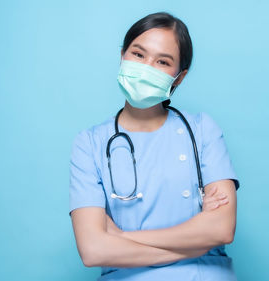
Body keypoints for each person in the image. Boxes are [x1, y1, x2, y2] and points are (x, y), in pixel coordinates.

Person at [68, 11, 240, 281]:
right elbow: (93, 250)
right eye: (138, 54)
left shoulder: (202, 130)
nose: (147, 67)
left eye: (162, 61)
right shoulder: (90, 143)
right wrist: (193, 244)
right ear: (122, 54)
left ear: (179, 77)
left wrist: (123, 238)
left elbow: (221, 230)